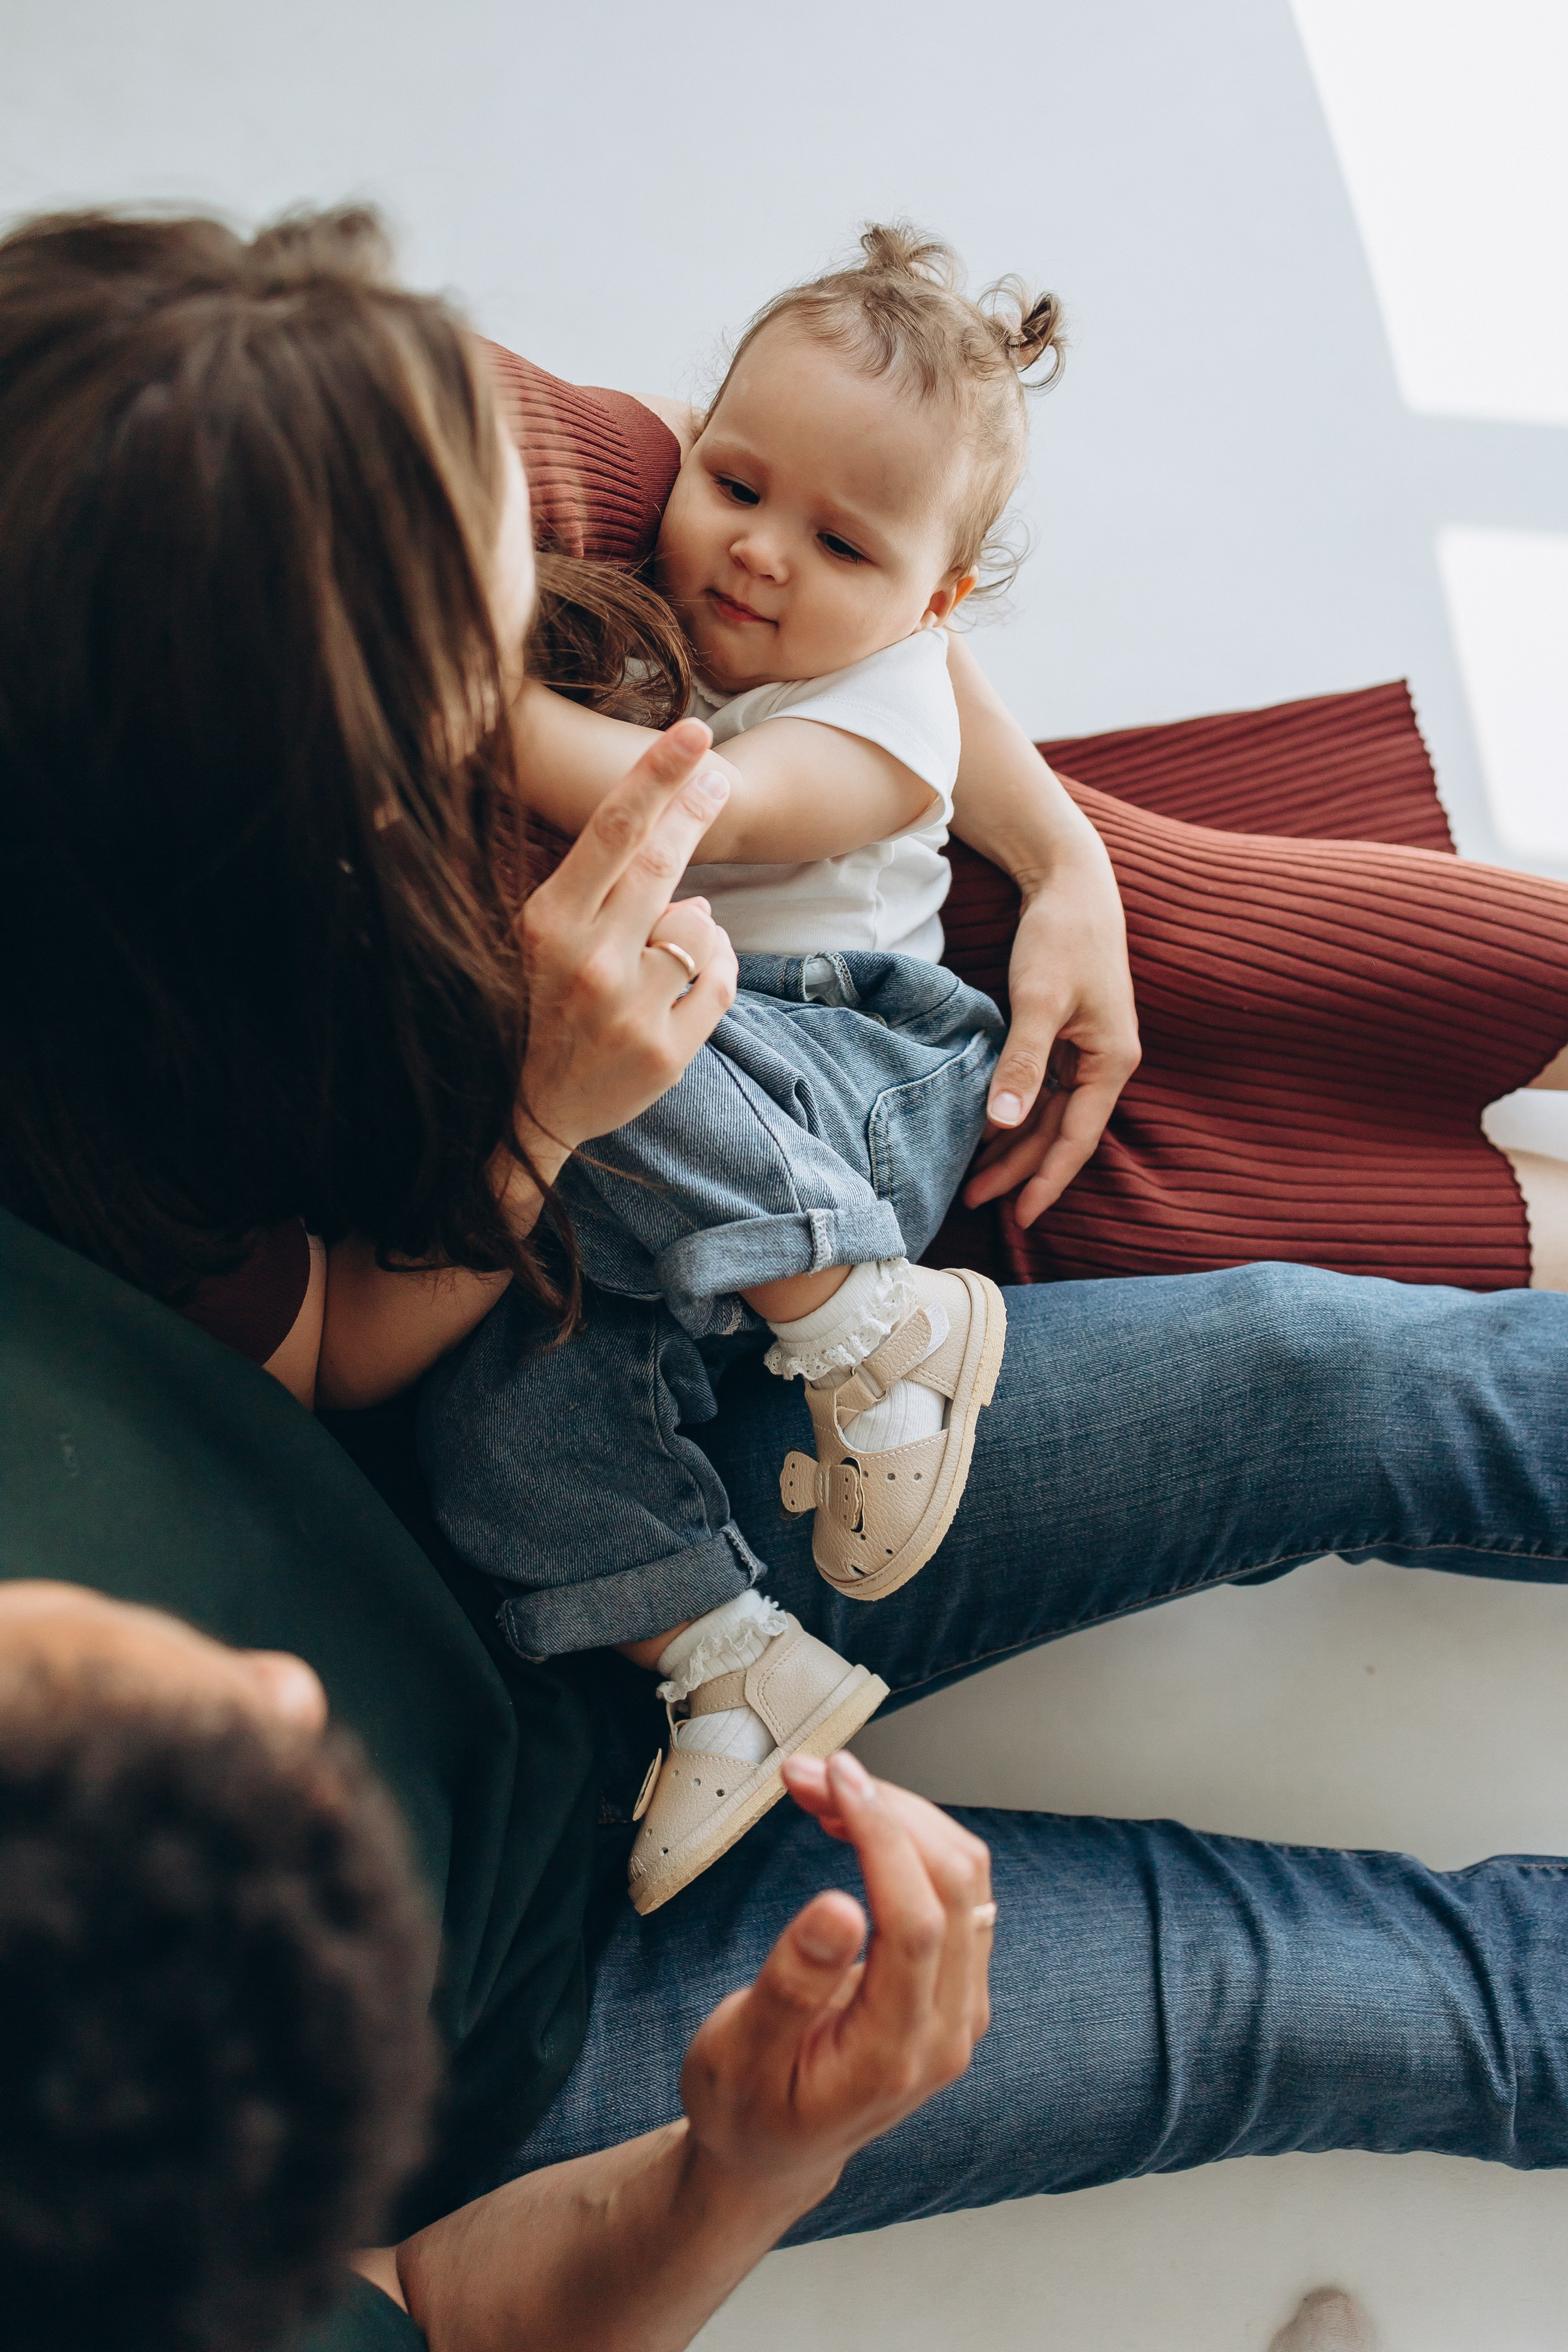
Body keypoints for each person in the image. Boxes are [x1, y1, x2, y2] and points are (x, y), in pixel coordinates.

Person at [7, 203, 1568, 2352]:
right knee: (1318, 1995)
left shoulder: (234, 476)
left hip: (568, 1484)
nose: (616, 589)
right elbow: (433, 2309)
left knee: (1341, 1374)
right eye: (483, 667)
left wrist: (1061, 841)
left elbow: (817, 545)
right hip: (519, 2016)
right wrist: (735, 2169)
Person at [423, 225, 1071, 1913]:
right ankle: (719, 1654)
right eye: (735, 481)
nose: (760, 554)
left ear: (935, 609)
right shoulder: (684, 571)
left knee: (605, 1025)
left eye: (840, 543)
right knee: (490, 1379)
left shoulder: (898, 712)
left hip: (856, 1071)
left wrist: (462, 698)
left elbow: (687, 801)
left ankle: (879, 1318)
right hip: (700, 1132)